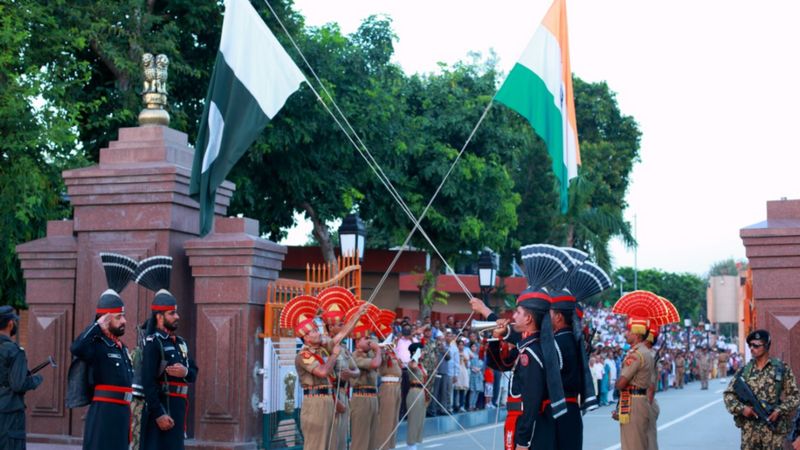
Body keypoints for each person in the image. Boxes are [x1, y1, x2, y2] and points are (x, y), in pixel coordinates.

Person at [70, 253, 137, 450]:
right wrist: (96, 326)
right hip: (104, 412)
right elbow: (77, 348)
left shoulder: (120, 347)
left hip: (123, 411)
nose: (124, 321)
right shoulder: (96, 343)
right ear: (106, 319)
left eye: (123, 316)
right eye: (118, 317)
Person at [135, 256, 199, 450]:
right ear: (159, 316)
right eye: (172, 313)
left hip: (179, 408)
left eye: (177, 312)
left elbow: (194, 371)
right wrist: (159, 413)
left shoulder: (181, 343)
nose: (177, 316)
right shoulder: (153, 343)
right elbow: (148, 382)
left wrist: (185, 372)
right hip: (161, 408)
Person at [281, 295, 341, 450]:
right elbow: (321, 372)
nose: (318, 332)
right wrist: (334, 355)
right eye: (314, 331)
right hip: (315, 401)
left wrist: (357, 317)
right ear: (306, 337)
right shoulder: (303, 355)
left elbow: (340, 337)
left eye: (317, 329)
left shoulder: (321, 349)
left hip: (327, 398)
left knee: (330, 444)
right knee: (317, 445)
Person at [724, 329, 800, 450]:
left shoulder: (780, 369)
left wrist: (779, 410)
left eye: (756, 345)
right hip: (750, 433)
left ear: (766, 346)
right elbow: (728, 395)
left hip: (772, 434)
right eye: (750, 345)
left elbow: (795, 396)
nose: (752, 348)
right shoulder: (745, 371)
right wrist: (742, 409)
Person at [319, 287, 359, 450]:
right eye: (340, 324)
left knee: (342, 439)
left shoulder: (343, 348)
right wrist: (357, 316)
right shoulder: (325, 345)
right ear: (331, 327)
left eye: (343, 324)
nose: (343, 327)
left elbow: (356, 371)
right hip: (332, 396)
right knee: (333, 439)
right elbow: (325, 377)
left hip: (343, 393)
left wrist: (350, 373)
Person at [0, 306, 42, 449]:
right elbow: (18, 384)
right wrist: (35, 380)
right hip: (9, 413)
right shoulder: (14, 351)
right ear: (11, 323)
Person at [613, 318, 655, 450]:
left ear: (637, 335)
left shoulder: (636, 355)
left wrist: (617, 383)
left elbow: (621, 383)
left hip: (634, 403)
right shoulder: (646, 352)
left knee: (633, 445)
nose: (626, 334)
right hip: (638, 400)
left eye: (629, 331)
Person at [349, 304, 382, 450]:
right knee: (360, 439)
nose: (369, 340)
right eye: (365, 338)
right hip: (361, 398)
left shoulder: (369, 353)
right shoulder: (354, 356)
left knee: (372, 438)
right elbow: (375, 364)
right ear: (357, 342)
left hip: (373, 397)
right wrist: (378, 350)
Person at [374, 309, 402, 450]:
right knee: (386, 419)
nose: (394, 339)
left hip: (396, 386)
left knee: (393, 420)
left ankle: (390, 446)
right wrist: (383, 347)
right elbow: (379, 361)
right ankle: (383, 447)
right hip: (388, 386)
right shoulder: (381, 350)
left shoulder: (393, 352)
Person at [405, 342, 428, 450]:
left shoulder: (421, 364)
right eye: (421, 351)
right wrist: (417, 355)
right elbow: (413, 366)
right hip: (414, 391)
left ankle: (415, 442)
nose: (423, 353)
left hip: (422, 391)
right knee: (413, 419)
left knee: (420, 418)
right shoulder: (412, 363)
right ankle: (411, 444)